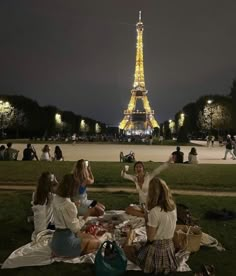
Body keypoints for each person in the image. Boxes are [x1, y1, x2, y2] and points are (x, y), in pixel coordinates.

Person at [123, 176, 178, 274]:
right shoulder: (173, 207)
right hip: (169, 247)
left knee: (126, 248)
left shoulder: (155, 211)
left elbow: (151, 238)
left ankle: (130, 238)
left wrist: (147, 218)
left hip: (156, 251)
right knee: (137, 244)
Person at [51, 174, 100, 257]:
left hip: (56, 241)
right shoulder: (69, 205)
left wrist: (74, 206)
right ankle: (73, 253)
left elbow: (63, 211)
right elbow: (76, 228)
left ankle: (62, 252)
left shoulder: (56, 197)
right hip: (66, 244)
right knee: (97, 242)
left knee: (91, 237)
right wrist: (87, 214)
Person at [31, 172, 58, 240]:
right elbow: (40, 228)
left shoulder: (45, 196)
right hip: (45, 232)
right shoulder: (49, 198)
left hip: (45, 228)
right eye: (53, 184)